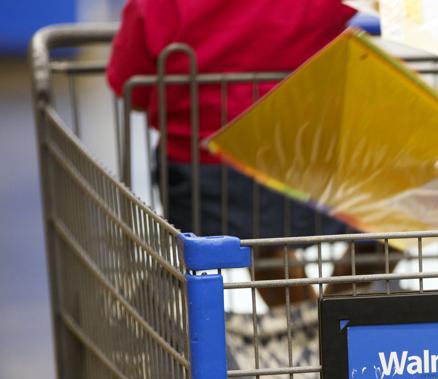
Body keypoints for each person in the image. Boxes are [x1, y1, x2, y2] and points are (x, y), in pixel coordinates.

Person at [107, 0, 390, 304]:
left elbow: (131, 87)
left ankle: (311, 325)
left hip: (205, 176)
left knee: (260, 239)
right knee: (412, 212)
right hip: (309, 163)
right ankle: (335, 314)